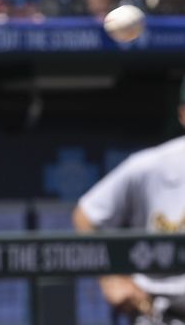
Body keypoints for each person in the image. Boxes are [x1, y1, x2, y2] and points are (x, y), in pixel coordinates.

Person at [73, 78, 185, 324]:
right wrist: (110, 278)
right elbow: (86, 214)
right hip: (163, 312)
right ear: (182, 114)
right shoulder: (152, 166)